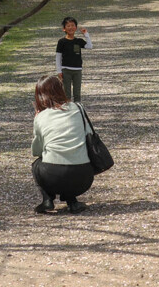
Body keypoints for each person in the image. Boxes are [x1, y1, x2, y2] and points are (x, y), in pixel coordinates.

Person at [31, 73, 94, 214]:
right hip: (83, 176)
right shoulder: (78, 108)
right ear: (61, 89)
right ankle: (72, 202)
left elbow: (36, 151)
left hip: (52, 176)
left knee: (36, 165)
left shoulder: (40, 117)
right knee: (71, 158)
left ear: (40, 96)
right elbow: (88, 134)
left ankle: (47, 200)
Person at [55, 16, 92, 101]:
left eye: (73, 25)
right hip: (66, 70)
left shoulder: (78, 41)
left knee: (77, 93)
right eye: (68, 26)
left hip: (77, 70)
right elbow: (58, 56)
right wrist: (59, 71)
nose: (71, 27)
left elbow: (89, 46)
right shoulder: (62, 42)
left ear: (76, 27)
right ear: (64, 29)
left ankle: (77, 110)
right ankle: (68, 111)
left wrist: (86, 35)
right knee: (66, 93)